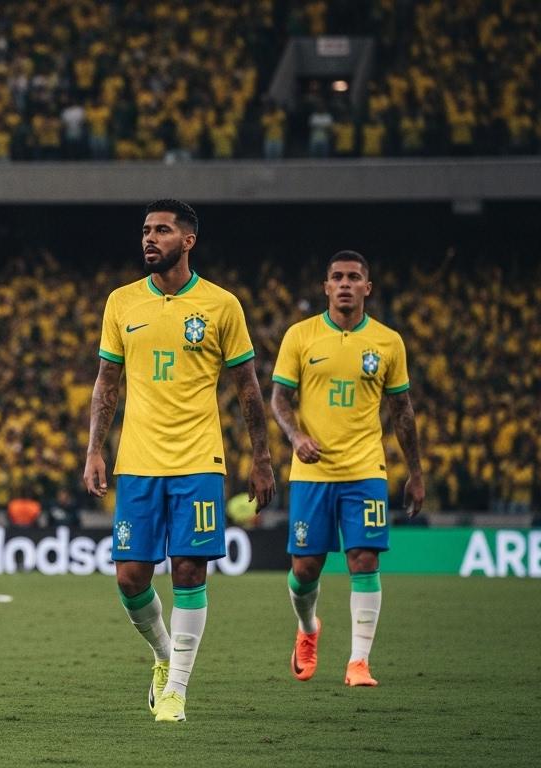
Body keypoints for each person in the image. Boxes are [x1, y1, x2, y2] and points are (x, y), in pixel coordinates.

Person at [84, 200, 275, 723]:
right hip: (139, 462)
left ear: (188, 240)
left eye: (162, 230)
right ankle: (166, 657)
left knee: (189, 571)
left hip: (198, 459)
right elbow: (107, 383)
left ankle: (177, 692)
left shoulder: (220, 306)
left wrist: (261, 456)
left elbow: (248, 389)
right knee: (130, 578)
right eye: (145, 230)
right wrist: (95, 449)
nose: (149, 238)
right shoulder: (122, 302)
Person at [269, 250, 425, 687]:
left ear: (366, 288)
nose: (344, 283)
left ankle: (359, 662)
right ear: (325, 287)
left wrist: (415, 471)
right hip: (312, 473)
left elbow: (402, 411)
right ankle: (308, 629)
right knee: (305, 569)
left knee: (364, 558)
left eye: (353, 277)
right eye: (336, 276)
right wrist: (296, 436)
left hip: (365, 469)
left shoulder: (388, 342)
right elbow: (279, 399)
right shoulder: (300, 336)